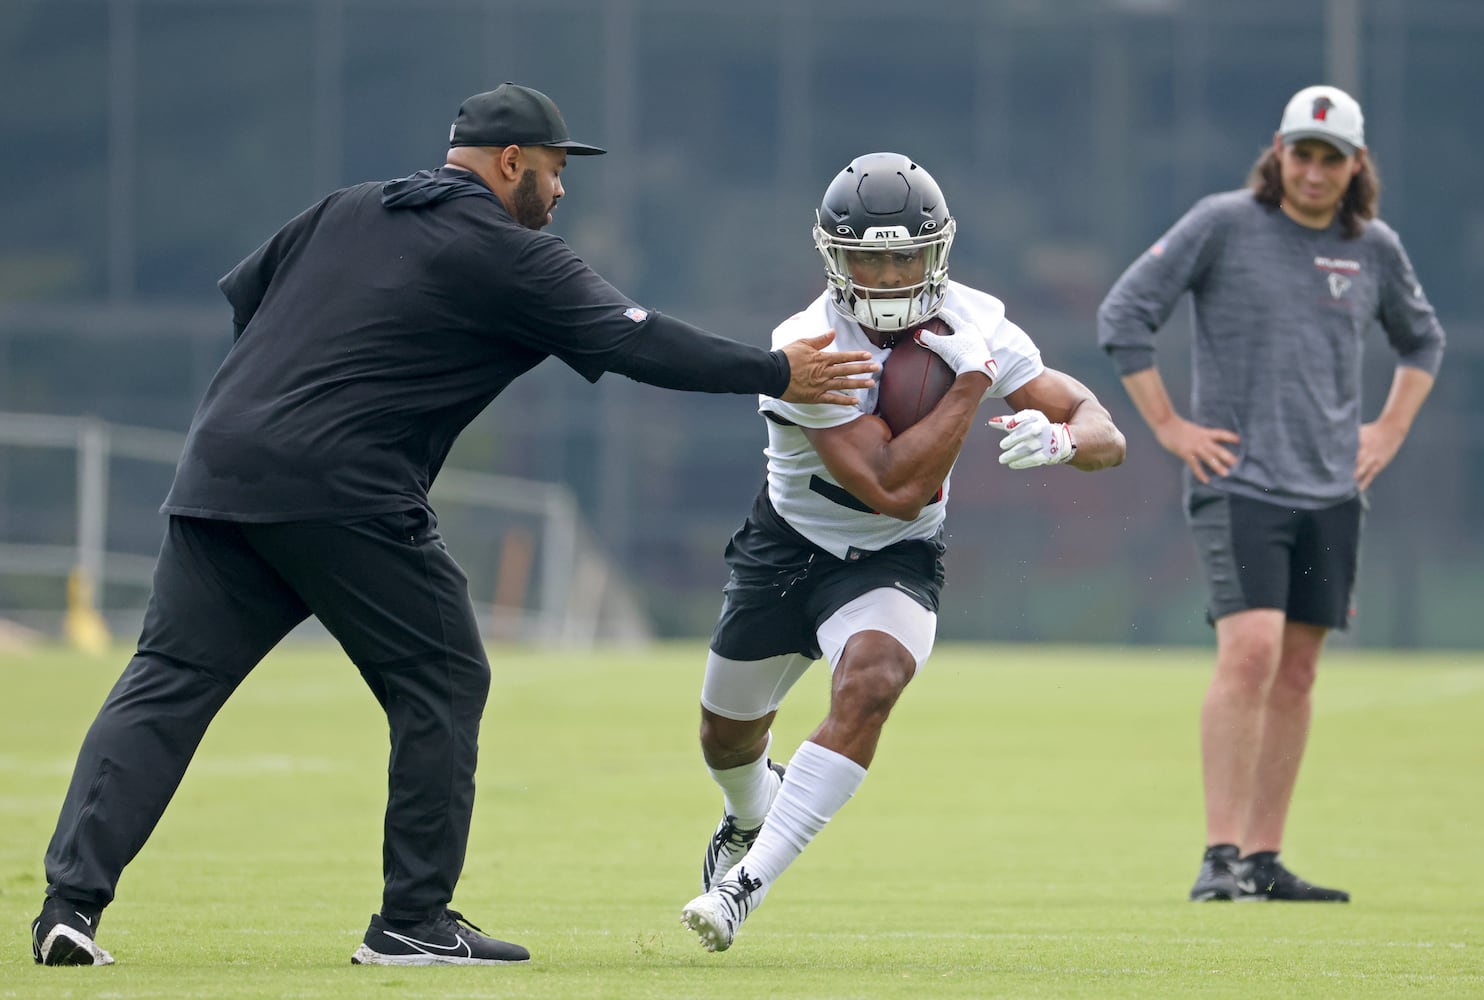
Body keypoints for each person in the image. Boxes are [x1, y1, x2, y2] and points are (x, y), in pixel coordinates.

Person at [29, 81, 881, 969]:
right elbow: (636, 339)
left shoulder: (345, 208)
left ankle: (69, 907)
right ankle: (412, 922)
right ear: (510, 163)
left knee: (166, 683)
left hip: (219, 469)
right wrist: (775, 370)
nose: (559, 193)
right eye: (552, 172)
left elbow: (251, 300)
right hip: (346, 489)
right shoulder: (508, 255)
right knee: (441, 676)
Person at [678, 151, 1127, 953]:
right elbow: (891, 484)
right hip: (788, 547)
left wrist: (1060, 437)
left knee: (873, 682)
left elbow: (1104, 431)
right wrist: (969, 385)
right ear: (833, 257)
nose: (886, 275)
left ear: (936, 252)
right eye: (867, 257)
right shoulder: (805, 341)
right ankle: (749, 812)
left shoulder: (975, 319)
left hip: (895, 560)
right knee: (725, 738)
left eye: (902, 256)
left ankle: (745, 886)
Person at [1097, 85, 1445, 903]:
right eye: (1301, 152)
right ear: (1277, 152)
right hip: (1238, 483)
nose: (1313, 170)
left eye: (1330, 157)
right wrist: (1170, 428)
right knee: (1249, 650)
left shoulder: (1374, 249)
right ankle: (1218, 854)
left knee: (1295, 674)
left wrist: (1387, 433)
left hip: (1330, 489)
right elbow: (1125, 313)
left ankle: (1262, 858)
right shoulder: (1222, 223)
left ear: (1354, 164)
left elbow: (1421, 338)